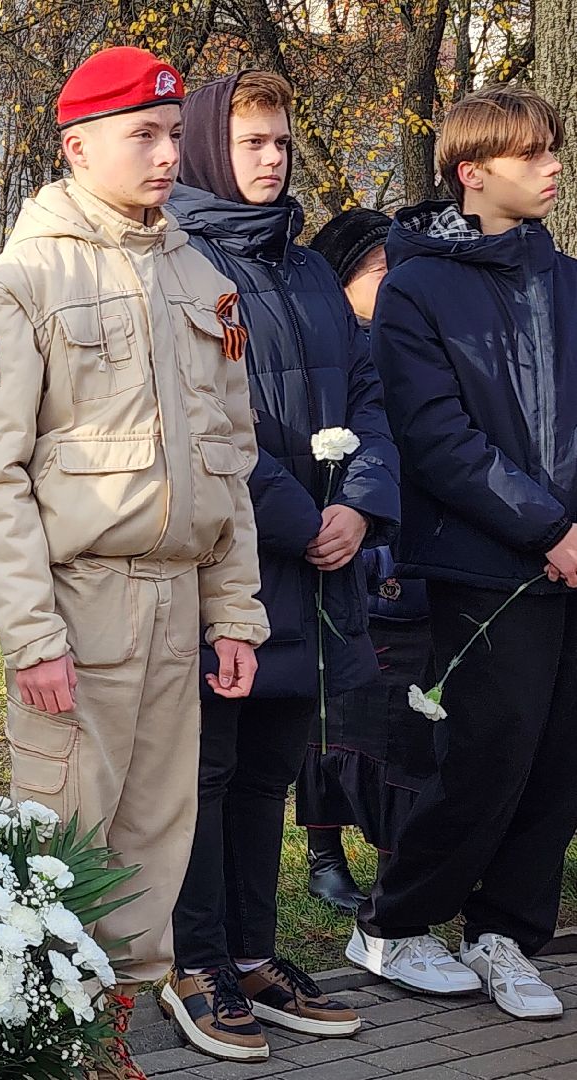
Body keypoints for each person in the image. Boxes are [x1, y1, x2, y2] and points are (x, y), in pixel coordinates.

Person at [0, 47, 268, 1076]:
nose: (167, 152)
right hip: (79, 611)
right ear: (76, 144)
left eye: (174, 132)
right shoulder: (25, 278)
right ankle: (49, 1043)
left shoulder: (201, 277)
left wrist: (235, 614)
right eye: (143, 132)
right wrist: (31, 636)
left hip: (177, 607)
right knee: (63, 844)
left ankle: (112, 1045)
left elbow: (231, 463)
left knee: (150, 846)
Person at [157, 71, 397, 1060]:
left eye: (282, 143)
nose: (269, 159)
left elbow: (369, 389)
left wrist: (359, 502)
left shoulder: (303, 269)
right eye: (251, 141)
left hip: (318, 564)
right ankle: (196, 961)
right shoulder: (177, 265)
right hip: (224, 564)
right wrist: (302, 517)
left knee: (267, 775)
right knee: (206, 773)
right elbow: (211, 421)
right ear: (213, 147)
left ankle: (254, 952)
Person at [349, 85, 577, 1022]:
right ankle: (394, 924)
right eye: (531, 155)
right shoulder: (417, 284)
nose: (554, 166)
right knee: (486, 755)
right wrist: (550, 530)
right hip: (490, 564)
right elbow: (439, 440)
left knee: (559, 759)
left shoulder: (568, 278)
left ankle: (505, 935)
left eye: (554, 150)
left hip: (571, 558)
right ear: (473, 173)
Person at [297, 207, 435, 913]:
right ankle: (324, 853)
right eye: (380, 272)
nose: (394, 285)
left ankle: (396, 860)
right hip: (342, 553)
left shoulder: (414, 343)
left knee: (402, 724)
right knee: (334, 720)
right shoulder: (332, 353)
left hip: (407, 552)